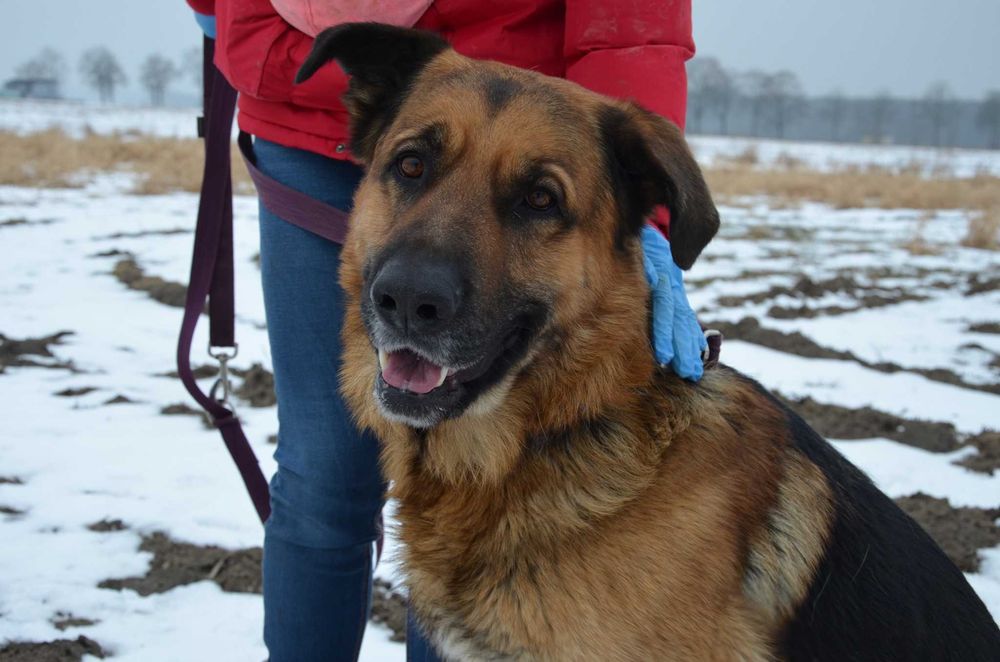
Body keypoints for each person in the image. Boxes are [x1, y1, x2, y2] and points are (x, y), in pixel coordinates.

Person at [185, 2, 705, 660]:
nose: (412, 299)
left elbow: (636, 22)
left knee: (484, 505)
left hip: (538, 122)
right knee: (320, 480)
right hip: (307, 107)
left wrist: (640, 213)